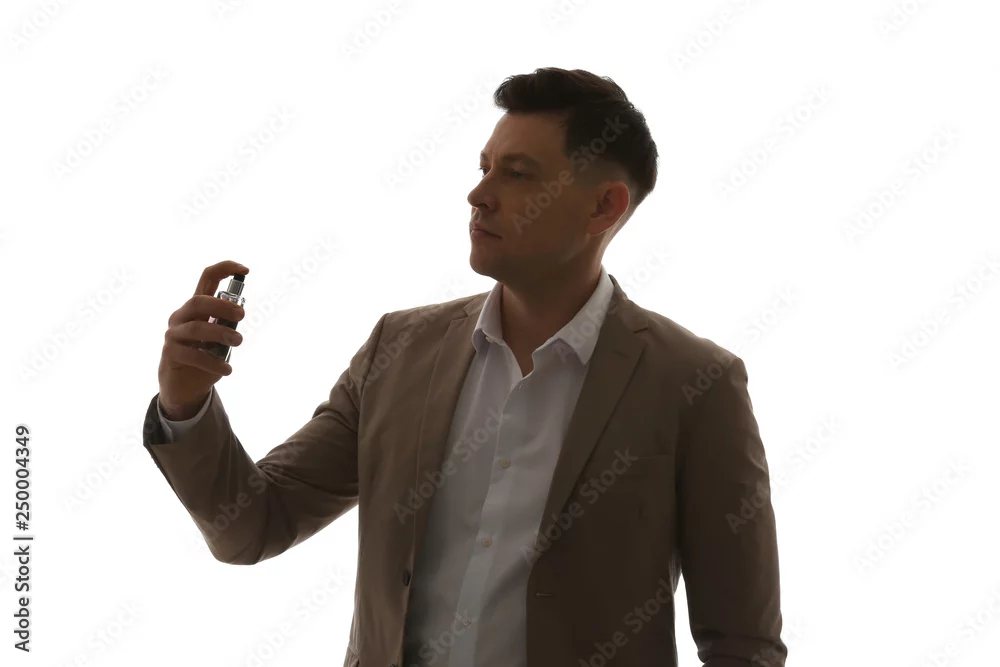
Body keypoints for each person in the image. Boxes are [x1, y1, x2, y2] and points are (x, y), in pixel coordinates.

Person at [143, 67, 787, 667]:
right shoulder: (398, 351)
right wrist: (185, 404)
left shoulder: (695, 384)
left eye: (518, 174)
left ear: (604, 207)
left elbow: (743, 645)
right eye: (484, 168)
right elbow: (251, 526)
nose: (478, 195)